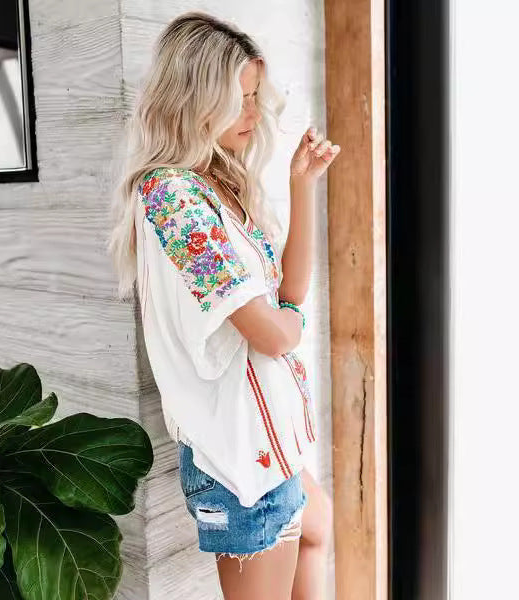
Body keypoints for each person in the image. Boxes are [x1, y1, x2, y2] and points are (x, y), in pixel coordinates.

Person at [107, 11, 340, 600]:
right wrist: (288, 324)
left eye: (256, 97)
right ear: (194, 100)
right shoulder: (172, 199)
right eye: (240, 100)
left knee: (318, 526)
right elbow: (274, 332)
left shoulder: (219, 185)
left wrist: (303, 185)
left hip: (270, 442)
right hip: (241, 462)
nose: (253, 114)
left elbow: (288, 298)